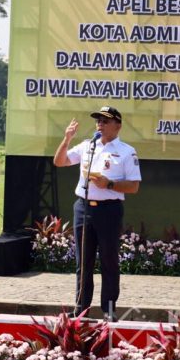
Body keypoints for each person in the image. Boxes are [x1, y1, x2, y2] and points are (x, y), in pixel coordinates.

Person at [52, 106, 141, 320]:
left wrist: (108, 184)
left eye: (105, 120)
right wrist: (67, 139)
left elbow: (134, 186)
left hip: (109, 210)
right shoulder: (87, 146)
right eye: (98, 120)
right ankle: (81, 308)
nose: (99, 124)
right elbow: (59, 161)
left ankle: (109, 310)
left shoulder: (127, 151)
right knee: (83, 262)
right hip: (83, 207)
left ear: (117, 126)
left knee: (109, 260)